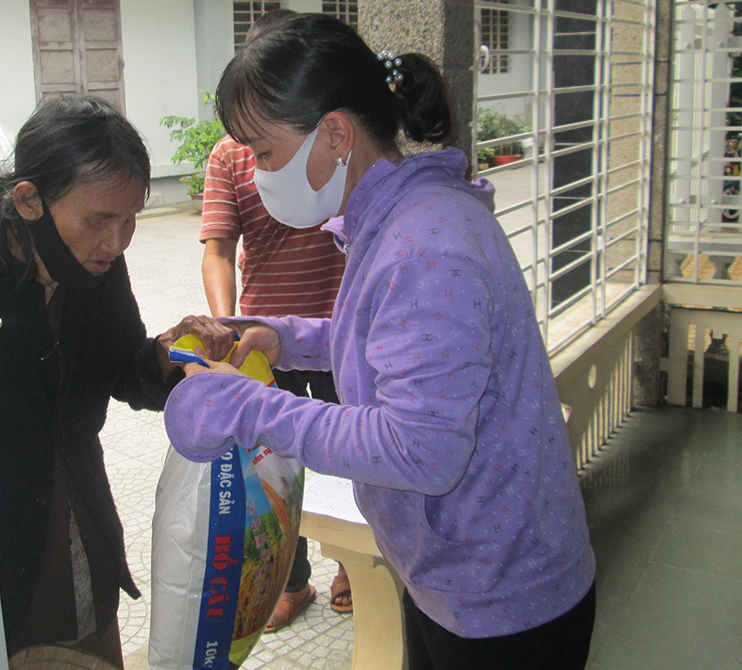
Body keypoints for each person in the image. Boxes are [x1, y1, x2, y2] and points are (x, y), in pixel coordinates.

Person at [164, 13, 596, 669]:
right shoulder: (397, 219)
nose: (256, 173)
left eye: (263, 151)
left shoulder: (424, 243)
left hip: (503, 599)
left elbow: (421, 450)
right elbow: (393, 343)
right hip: (457, 576)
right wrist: (278, 339)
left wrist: (249, 408)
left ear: (335, 133)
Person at [0, 95, 233, 670]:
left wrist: (170, 353)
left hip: (76, 527)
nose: (117, 242)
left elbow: (122, 368)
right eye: (98, 220)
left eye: (131, 218)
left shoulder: (94, 268)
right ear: (29, 200)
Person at [200, 6, 352, 634]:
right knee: (276, 463)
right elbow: (217, 247)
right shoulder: (230, 158)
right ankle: (292, 578)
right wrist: (226, 330)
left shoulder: (335, 150)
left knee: (351, 447)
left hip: (340, 331)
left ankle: (353, 562)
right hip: (269, 340)